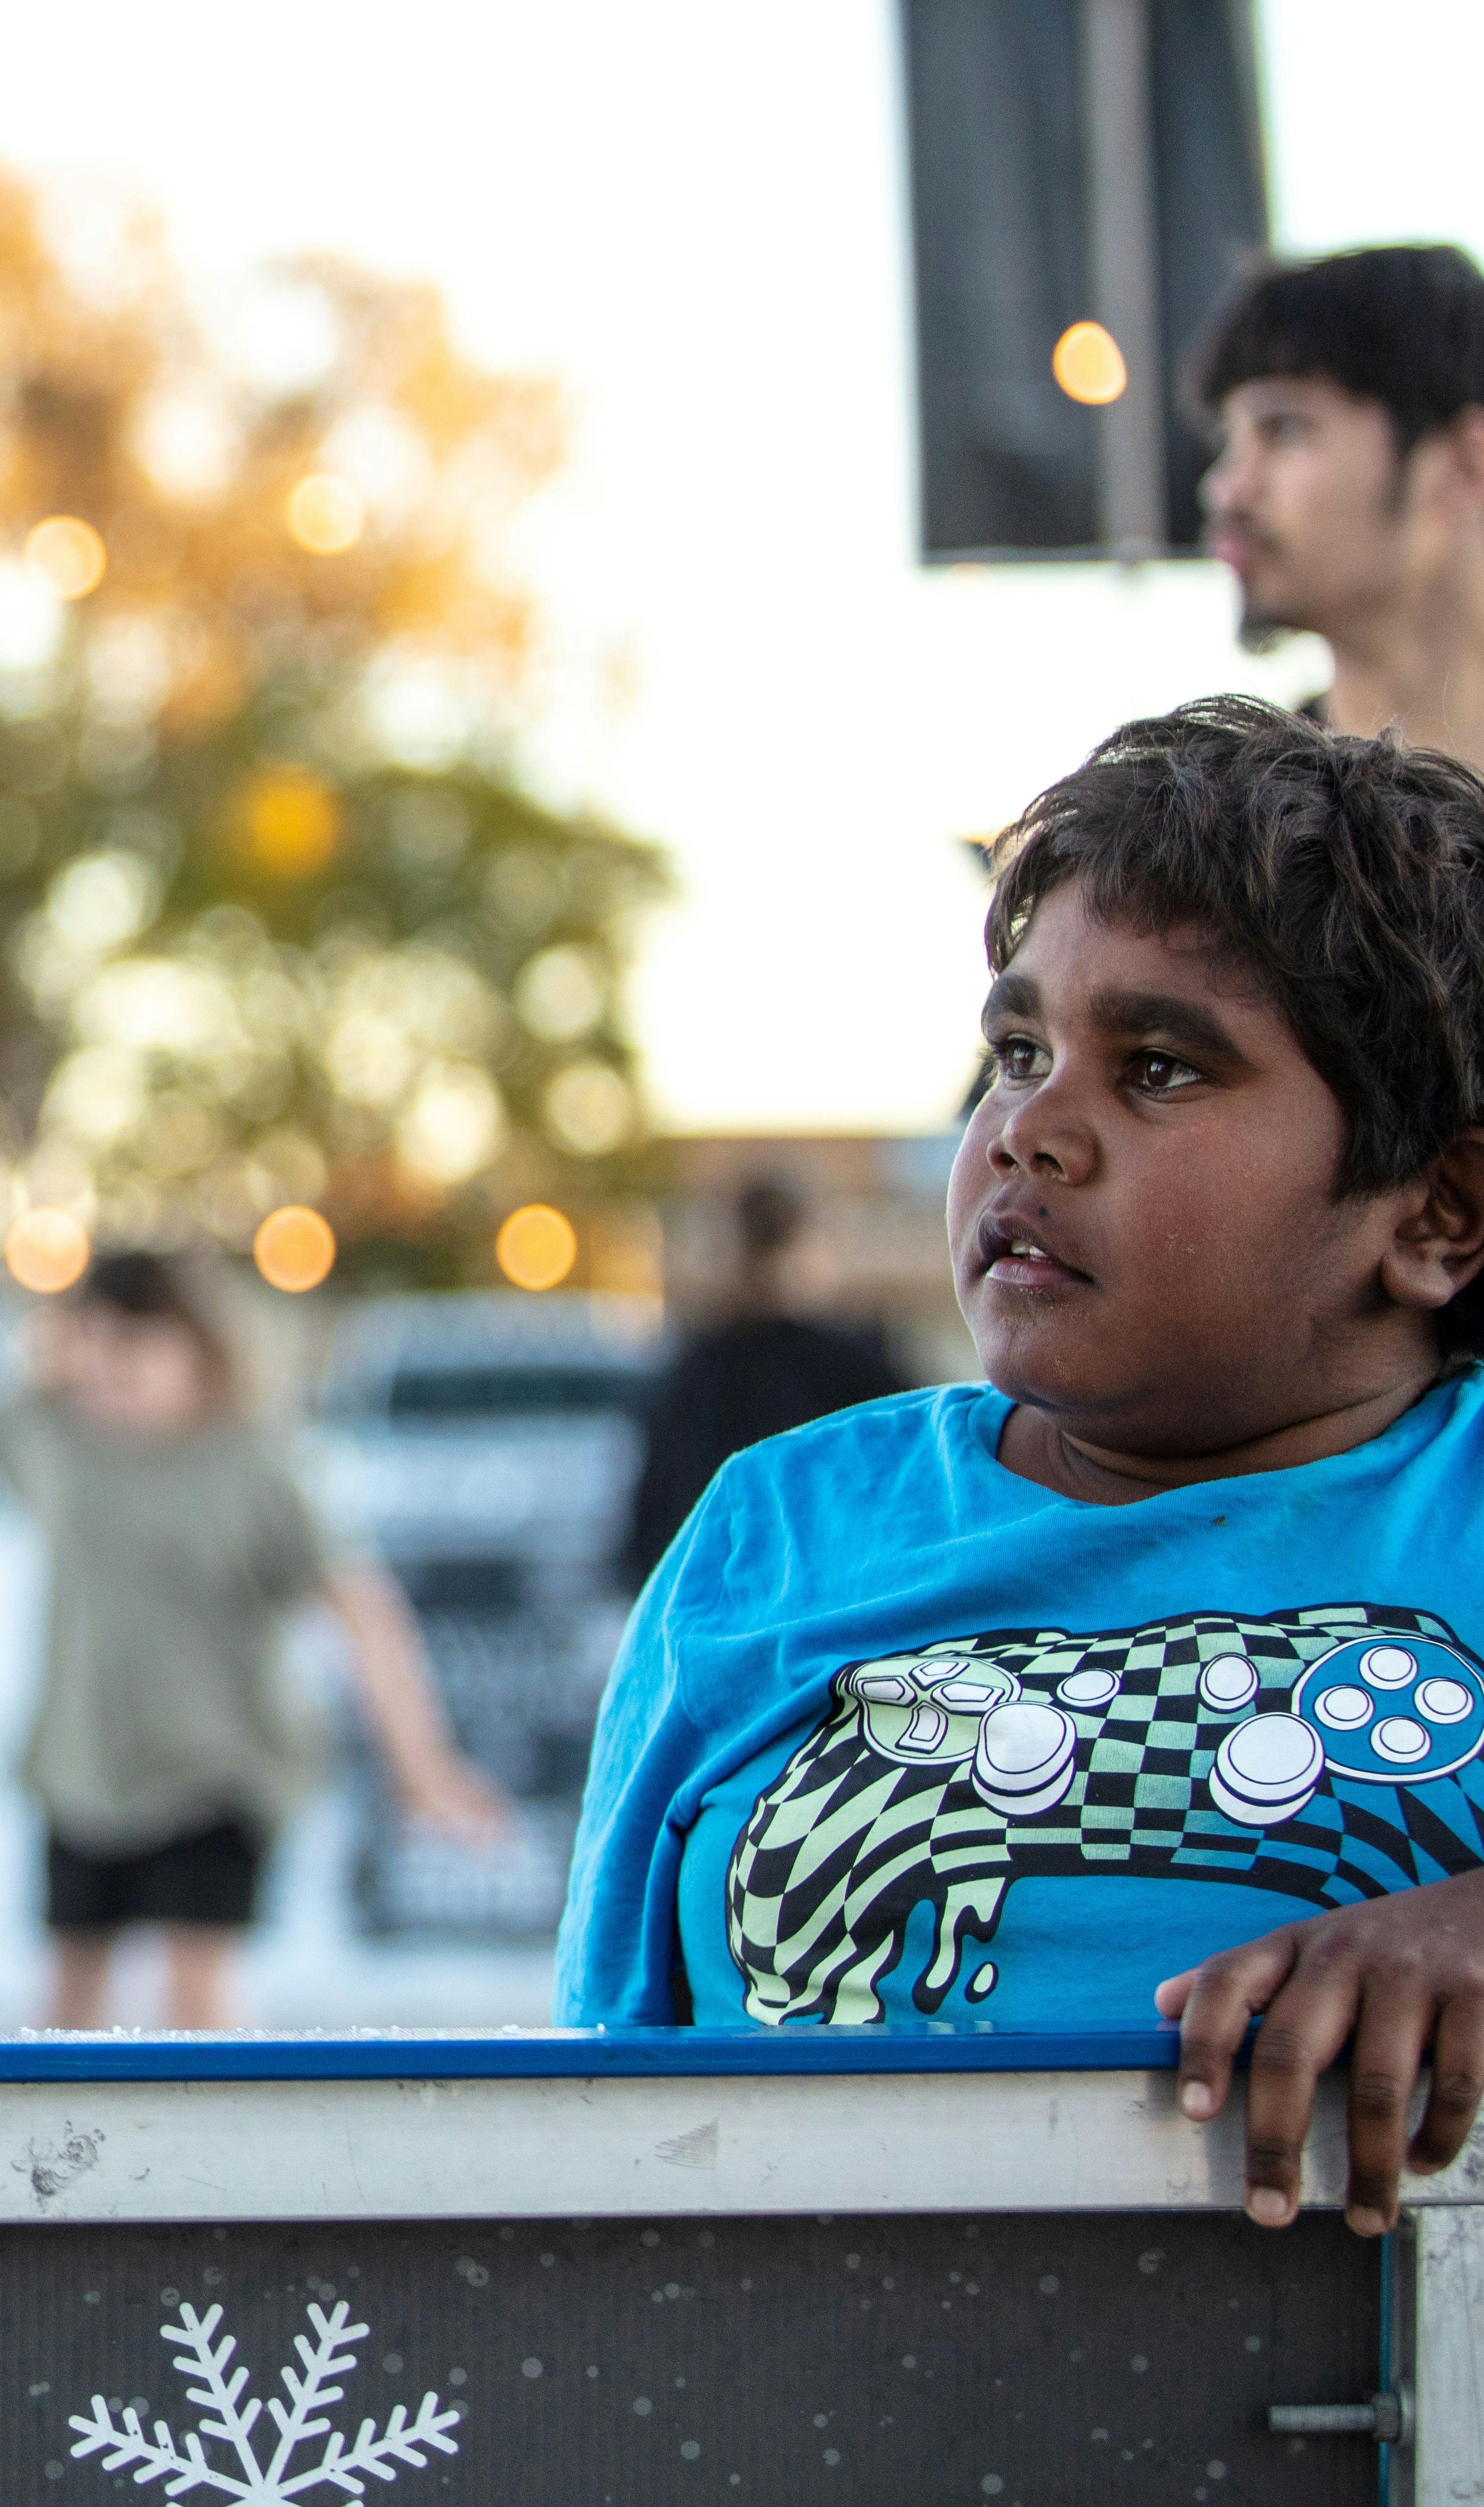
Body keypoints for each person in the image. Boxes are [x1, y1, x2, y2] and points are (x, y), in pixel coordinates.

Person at [560, 697, 1484, 2240]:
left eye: (1165, 1069)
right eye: (1016, 1048)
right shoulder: (778, 1532)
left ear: (1436, 1212)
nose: (1028, 1131)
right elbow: (585, 2153)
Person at [0, 1251, 508, 2032]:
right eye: (88, 1344)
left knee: (195, 1989)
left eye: (130, 1346)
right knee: (70, 1993)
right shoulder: (50, 1434)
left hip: (215, 1768)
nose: (103, 1368)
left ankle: (216, 2154)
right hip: (84, 1764)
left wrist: (422, 1766)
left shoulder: (254, 1465)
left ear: (199, 1352)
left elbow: (362, 1608)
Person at [1192, 243, 1484, 766]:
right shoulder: (1242, 831)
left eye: (1282, 429)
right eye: (1227, 442)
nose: (1226, 489)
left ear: (1464, 464)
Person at [613, 1175, 908, 1584]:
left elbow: (650, 1532)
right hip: (843, 1601)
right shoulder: (852, 1363)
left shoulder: (696, 1372)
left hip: (718, 1609)